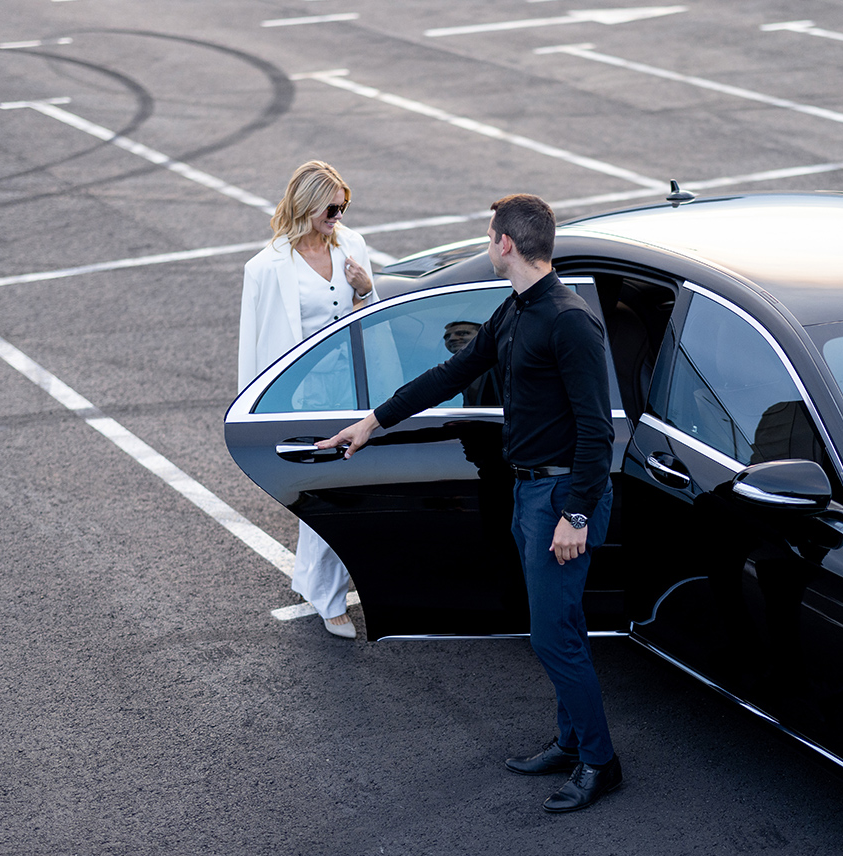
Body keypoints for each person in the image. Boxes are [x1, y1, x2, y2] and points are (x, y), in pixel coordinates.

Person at [318, 194, 621, 813]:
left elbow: (598, 430)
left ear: (506, 243)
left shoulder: (569, 320)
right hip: (530, 491)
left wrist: (577, 515)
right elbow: (450, 374)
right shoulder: (516, 310)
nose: (488, 244)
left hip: (561, 497)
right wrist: (373, 422)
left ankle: (600, 761)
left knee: (553, 637)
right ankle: (571, 742)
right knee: (558, 628)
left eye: (489, 236)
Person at [238, 161, 378, 639]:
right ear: (306, 205)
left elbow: (367, 317)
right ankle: (328, 597)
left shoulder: (352, 245)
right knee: (324, 489)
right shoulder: (264, 268)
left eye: (344, 206)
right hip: (301, 396)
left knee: (343, 486)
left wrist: (366, 290)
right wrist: (254, 410)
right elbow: (254, 343)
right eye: (331, 208)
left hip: (351, 388)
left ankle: (317, 584)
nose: (339, 216)